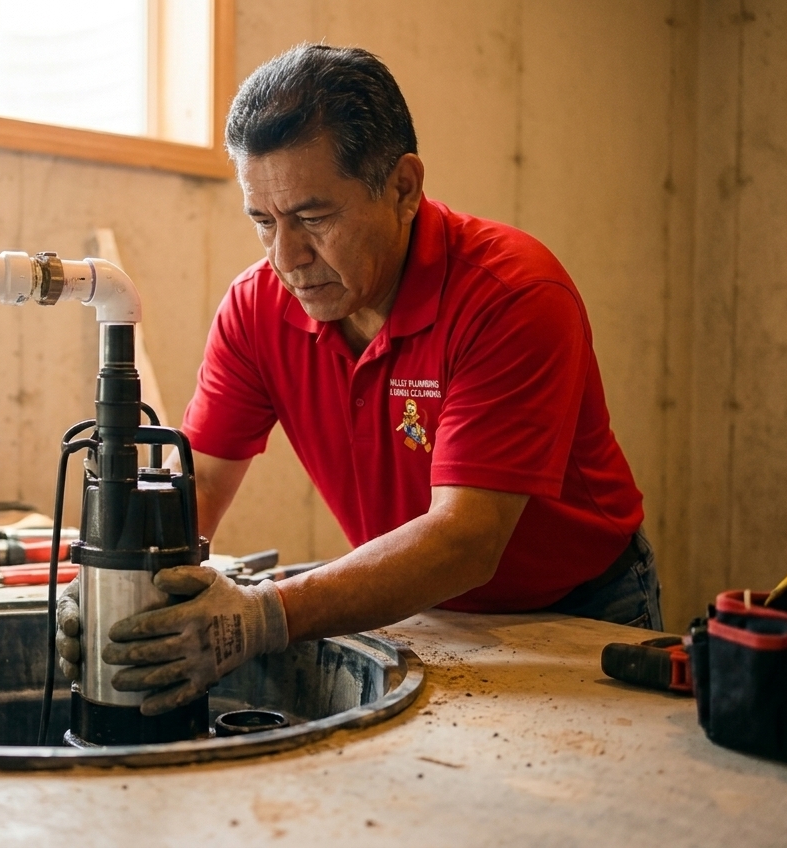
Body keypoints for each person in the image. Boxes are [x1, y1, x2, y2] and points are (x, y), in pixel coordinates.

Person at [58, 44, 661, 717]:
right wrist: (115, 581)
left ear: (403, 188)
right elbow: (198, 484)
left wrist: (259, 616)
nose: (287, 258)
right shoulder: (257, 308)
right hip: (411, 602)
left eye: (314, 219)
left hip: (573, 611)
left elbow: (467, 540)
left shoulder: (513, 294)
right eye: (264, 222)